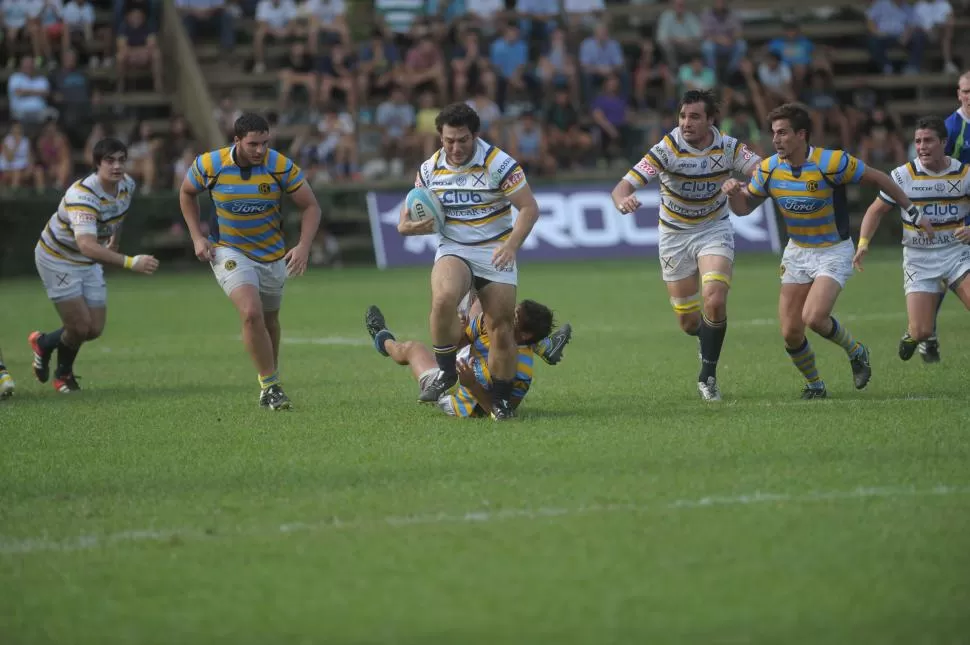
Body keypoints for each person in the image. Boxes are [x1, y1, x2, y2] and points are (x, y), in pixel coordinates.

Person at [723, 102, 932, 399]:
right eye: (774, 133)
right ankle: (815, 385)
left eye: (783, 133)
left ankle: (857, 351)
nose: (776, 139)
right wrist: (733, 194)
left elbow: (880, 178)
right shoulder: (769, 169)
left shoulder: (832, 163)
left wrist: (911, 209)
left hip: (833, 251)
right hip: (797, 252)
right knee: (790, 333)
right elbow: (743, 209)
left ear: (801, 135)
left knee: (814, 317)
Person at [611, 89, 761, 402]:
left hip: (713, 228)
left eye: (694, 117)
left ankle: (708, 375)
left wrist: (744, 186)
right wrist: (623, 199)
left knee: (715, 298)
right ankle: (705, 339)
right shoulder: (666, 149)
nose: (686, 123)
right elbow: (623, 185)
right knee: (688, 321)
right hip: (674, 235)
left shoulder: (730, 148)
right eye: (682, 116)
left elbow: (764, 171)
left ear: (711, 120)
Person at [397, 102, 541, 421]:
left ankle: (501, 401)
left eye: (462, 139)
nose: (456, 147)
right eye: (449, 140)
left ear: (475, 135)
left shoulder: (499, 163)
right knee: (445, 297)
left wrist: (511, 246)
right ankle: (447, 371)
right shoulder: (429, 169)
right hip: (454, 246)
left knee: (501, 327)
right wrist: (408, 227)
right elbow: (406, 218)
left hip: (495, 248)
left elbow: (529, 209)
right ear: (440, 137)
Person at [179, 113, 322, 411]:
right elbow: (186, 193)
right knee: (250, 312)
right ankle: (271, 386)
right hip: (228, 251)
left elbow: (311, 206)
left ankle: (270, 378)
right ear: (237, 141)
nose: (260, 150)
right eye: (253, 144)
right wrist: (197, 237)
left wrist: (303, 247)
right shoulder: (210, 165)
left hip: (272, 255)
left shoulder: (279, 165)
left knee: (270, 321)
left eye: (265, 143)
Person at [28, 138, 159, 393]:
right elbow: (87, 245)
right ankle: (63, 375)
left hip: (88, 259)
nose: (117, 166)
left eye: (121, 159)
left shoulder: (126, 185)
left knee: (94, 329)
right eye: (110, 160)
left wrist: (114, 244)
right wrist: (131, 262)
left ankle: (44, 343)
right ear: (97, 164)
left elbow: (118, 217)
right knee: (79, 326)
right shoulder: (82, 195)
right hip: (58, 258)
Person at [853, 116, 969, 361]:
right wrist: (863, 244)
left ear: (944, 142)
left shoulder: (963, 173)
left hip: (957, 254)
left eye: (928, 140)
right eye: (918, 141)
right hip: (919, 260)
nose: (922, 146)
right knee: (922, 330)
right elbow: (875, 211)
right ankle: (912, 334)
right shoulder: (902, 175)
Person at [364, 299, 556, 418]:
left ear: (526, 335)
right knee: (480, 302)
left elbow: (501, 412)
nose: (505, 313)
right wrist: (457, 329)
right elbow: (456, 345)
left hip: (459, 399)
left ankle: (383, 339)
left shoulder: (522, 372)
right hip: (462, 364)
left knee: (412, 349)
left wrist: (471, 384)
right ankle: (383, 339)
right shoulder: (490, 321)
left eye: (513, 316)